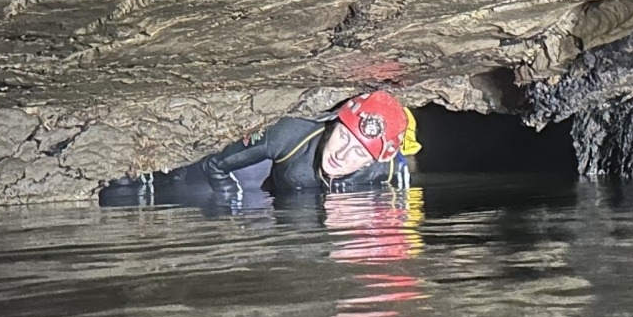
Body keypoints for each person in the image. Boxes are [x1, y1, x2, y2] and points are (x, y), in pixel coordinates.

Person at [104, 90, 423, 204]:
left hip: (294, 195)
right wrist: (229, 201)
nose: (342, 154)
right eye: (343, 137)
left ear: (371, 162)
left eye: (359, 152)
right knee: (194, 185)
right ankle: (150, 178)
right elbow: (215, 164)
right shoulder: (290, 134)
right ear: (333, 123)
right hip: (266, 178)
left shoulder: (388, 170)